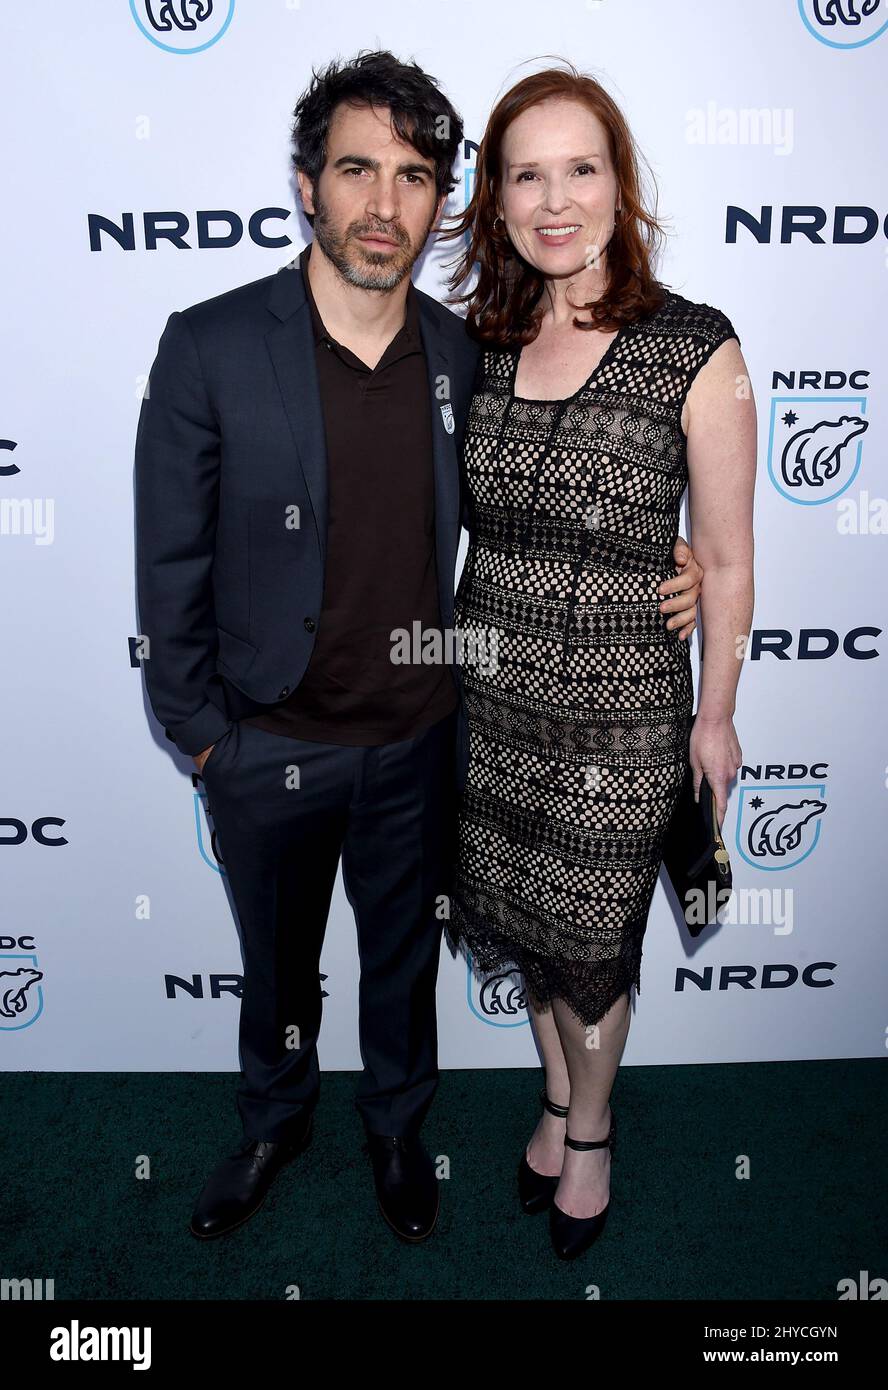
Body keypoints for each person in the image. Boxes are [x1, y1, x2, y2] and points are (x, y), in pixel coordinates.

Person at [134, 50, 705, 1246]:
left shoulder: (467, 355)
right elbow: (170, 564)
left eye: (412, 176)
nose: (384, 205)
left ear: (444, 199)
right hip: (266, 741)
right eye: (356, 171)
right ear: (306, 186)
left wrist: (690, 565)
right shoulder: (211, 345)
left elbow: (568, 491)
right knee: (277, 971)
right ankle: (273, 1122)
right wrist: (199, 739)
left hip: (420, 742)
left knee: (402, 968)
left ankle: (398, 1129)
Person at [441, 64, 756, 1259]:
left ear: (622, 185)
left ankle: (591, 1131)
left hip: (625, 714)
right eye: (528, 173)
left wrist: (714, 720)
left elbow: (724, 563)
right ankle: (556, 1100)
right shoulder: (481, 343)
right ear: (499, 197)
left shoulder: (694, 346)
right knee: (528, 928)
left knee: (593, 943)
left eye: (582, 168)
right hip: (498, 704)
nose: (556, 197)